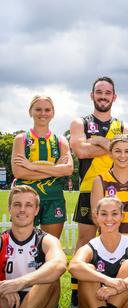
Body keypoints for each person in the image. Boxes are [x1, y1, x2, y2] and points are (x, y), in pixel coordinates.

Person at [69, 76, 128, 308]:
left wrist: (98, 141)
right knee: (85, 239)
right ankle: (77, 293)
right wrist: (110, 145)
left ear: (114, 97)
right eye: (99, 92)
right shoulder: (80, 122)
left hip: (117, 188)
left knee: (119, 238)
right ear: (92, 95)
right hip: (88, 187)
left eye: (108, 93)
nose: (103, 96)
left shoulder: (124, 126)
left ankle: (117, 286)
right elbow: (81, 151)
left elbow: (123, 151)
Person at [0, 186, 67, 308]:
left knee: (50, 277)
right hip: (6, 302)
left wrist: (18, 283)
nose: (22, 210)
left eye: (28, 205)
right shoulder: (3, 240)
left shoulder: (46, 239)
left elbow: (59, 264)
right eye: (17, 205)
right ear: (9, 209)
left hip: (39, 306)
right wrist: (4, 287)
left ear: (36, 210)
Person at [12, 95, 73, 238]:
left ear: (53, 113)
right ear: (30, 111)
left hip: (53, 197)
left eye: (47, 110)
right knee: (23, 243)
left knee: (51, 244)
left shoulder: (61, 140)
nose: (43, 113)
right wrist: (55, 170)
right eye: (38, 109)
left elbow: (68, 169)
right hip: (25, 198)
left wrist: (31, 167)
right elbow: (19, 172)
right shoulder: (21, 139)